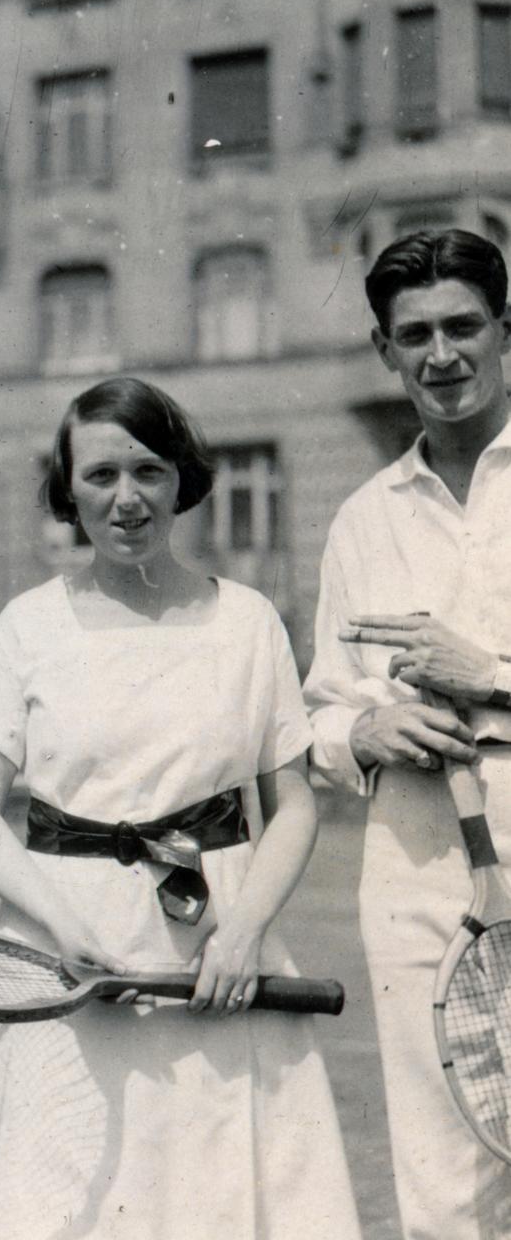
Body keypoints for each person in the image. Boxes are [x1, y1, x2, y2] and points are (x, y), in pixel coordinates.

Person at [0, 376, 360, 1240]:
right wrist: (60, 932)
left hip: (221, 952)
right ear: (67, 492)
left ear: (182, 480)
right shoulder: (28, 626)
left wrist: (245, 933)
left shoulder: (249, 622)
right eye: (99, 477)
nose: (126, 500)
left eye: (147, 472)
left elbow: (292, 806)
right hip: (63, 958)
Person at [305, 227, 511, 1240]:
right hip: (417, 861)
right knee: (443, 1179)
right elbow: (320, 713)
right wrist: (367, 727)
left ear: (506, 329)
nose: (442, 354)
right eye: (414, 332)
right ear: (385, 350)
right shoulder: (362, 517)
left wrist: (494, 678)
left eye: (463, 325)